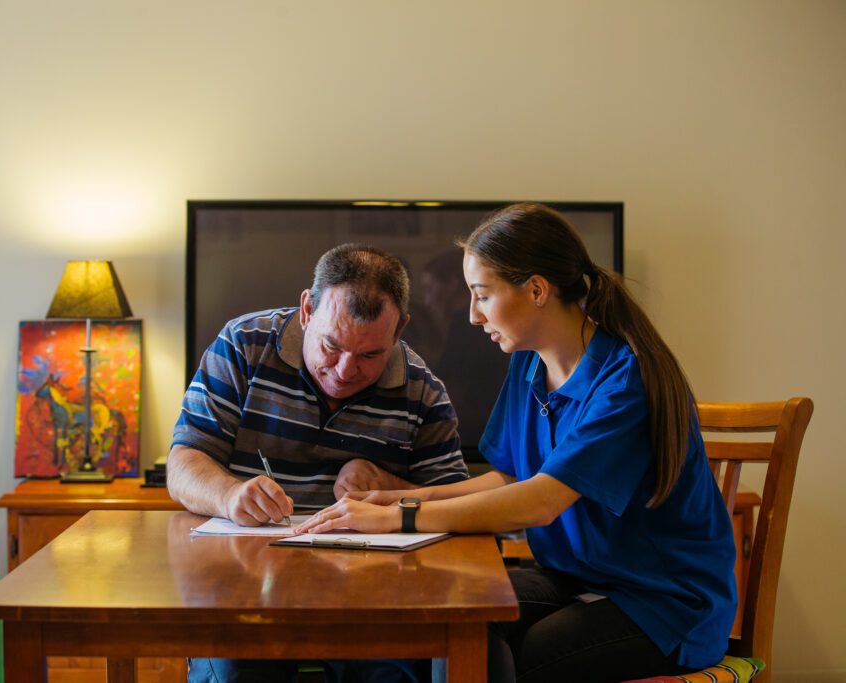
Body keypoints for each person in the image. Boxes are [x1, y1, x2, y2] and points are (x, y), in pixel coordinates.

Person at [296, 204, 739, 682]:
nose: (470, 315)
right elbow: (507, 477)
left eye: (482, 295)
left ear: (536, 289)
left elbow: (540, 500)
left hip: (663, 605)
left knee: (488, 656)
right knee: (435, 619)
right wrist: (399, 497)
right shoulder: (529, 365)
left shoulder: (625, 381)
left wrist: (397, 518)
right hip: (575, 579)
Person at [168, 242, 470, 683]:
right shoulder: (243, 345)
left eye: (370, 355)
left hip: (376, 600)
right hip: (243, 589)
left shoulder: (422, 391)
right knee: (236, 671)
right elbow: (182, 463)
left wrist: (386, 487)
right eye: (331, 345)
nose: (345, 370)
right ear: (307, 308)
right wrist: (229, 494)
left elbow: (455, 505)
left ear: (400, 328)